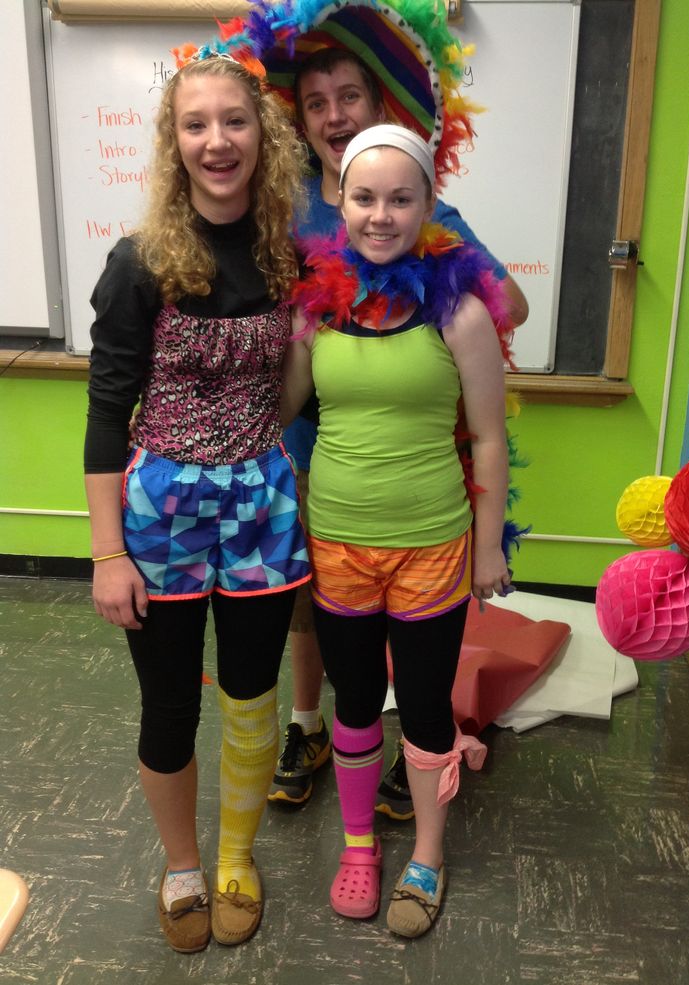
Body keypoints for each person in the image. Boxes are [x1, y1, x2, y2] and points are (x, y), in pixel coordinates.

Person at [83, 49, 309, 953]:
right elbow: (106, 417)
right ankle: (182, 864)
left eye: (235, 120)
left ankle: (236, 860)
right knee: (170, 706)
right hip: (158, 521)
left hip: (261, 508)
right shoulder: (139, 263)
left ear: (264, 134)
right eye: (196, 124)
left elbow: (291, 391)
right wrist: (106, 554)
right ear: (174, 144)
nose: (218, 140)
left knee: (254, 697)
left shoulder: (291, 255)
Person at [267, 44, 528, 817]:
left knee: (416, 620)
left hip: (409, 453)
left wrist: (435, 316)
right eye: (316, 103)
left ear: (379, 108)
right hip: (314, 448)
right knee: (317, 608)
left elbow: (507, 305)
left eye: (349, 96)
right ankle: (310, 726)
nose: (334, 114)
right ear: (301, 120)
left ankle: (416, 742)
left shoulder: (422, 206)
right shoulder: (281, 206)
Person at [281, 123, 513, 937]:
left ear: (427, 205)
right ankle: (356, 847)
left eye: (401, 198)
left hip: (432, 546)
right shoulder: (316, 312)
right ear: (338, 202)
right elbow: (278, 412)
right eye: (365, 197)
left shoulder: (461, 314)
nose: (381, 215)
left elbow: (488, 436)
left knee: (419, 705)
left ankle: (426, 851)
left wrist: (487, 548)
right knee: (352, 703)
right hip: (337, 541)